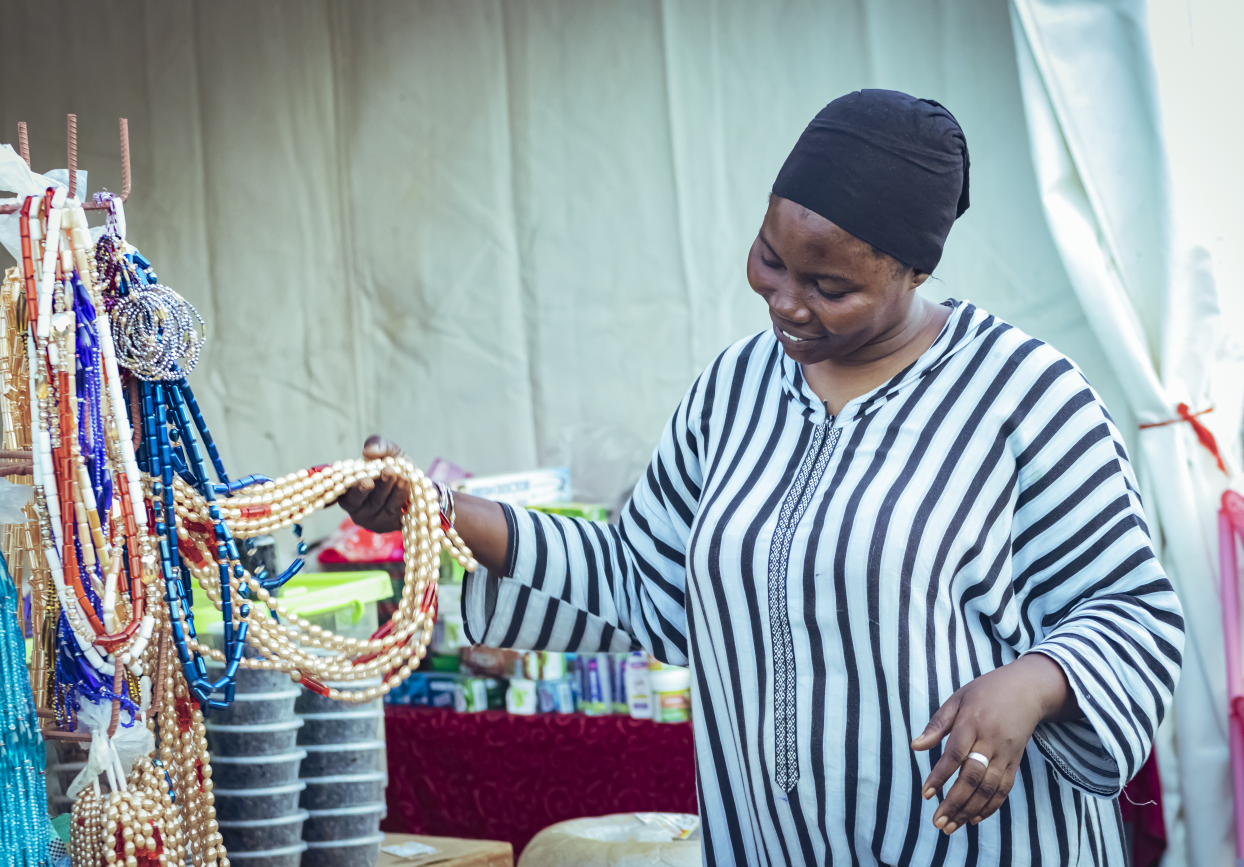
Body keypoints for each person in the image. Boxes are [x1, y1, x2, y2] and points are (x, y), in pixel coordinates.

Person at [340, 90, 1184, 866]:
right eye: (770, 258)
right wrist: (443, 510)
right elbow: (645, 578)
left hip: (969, 845)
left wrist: (1031, 683)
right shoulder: (733, 390)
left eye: (831, 286)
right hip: (766, 840)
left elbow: (1137, 613)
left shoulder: (1025, 395)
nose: (785, 301)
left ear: (916, 271)